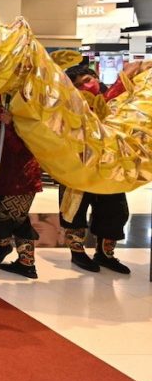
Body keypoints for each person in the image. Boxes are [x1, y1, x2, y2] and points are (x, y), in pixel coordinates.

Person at [58, 65, 131, 274]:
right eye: (78, 85)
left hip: (109, 164)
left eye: (88, 80)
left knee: (115, 210)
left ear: (97, 77)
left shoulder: (114, 98)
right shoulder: (68, 103)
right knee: (75, 209)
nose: (86, 86)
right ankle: (77, 252)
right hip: (78, 164)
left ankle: (105, 253)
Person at [0, 104, 43, 279]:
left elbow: (25, 147)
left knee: (10, 219)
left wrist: (9, 125)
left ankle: (7, 248)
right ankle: (25, 262)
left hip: (20, 177)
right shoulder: (11, 105)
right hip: (8, 175)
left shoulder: (33, 112)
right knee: (14, 218)